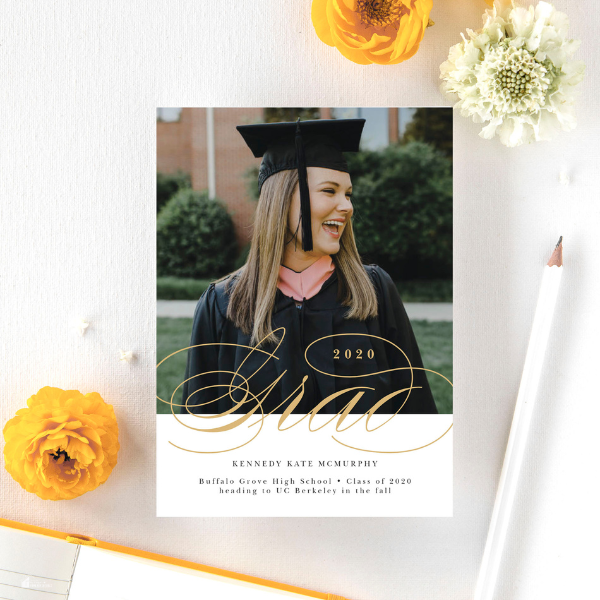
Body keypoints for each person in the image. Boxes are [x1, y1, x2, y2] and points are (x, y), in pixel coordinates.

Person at [180, 118, 437, 415]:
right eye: (330, 191)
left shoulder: (374, 291)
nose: (347, 206)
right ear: (282, 199)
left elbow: (416, 413)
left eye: (348, 194)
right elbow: (200, 426)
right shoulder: (222, 304)